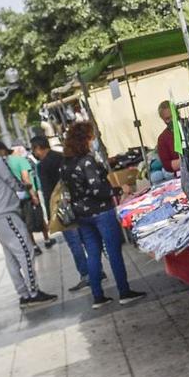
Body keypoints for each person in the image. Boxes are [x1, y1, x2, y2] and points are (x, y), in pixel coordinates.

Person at [57, 121, 145, 307]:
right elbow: (97, 189)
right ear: (86, 139)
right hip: (101, 212)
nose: (94, 140)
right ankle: (124, 291)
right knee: (114, 251)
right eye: (92, 136)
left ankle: (98, 296)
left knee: (93, 253)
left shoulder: (65, 163)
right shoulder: (86, 161)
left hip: (81, 215)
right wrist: (119, 189)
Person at [0, 139, 54, 306]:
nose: (7, 158)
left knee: (11, 257)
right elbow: (13, 183)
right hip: (7, 214)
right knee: (25, 251)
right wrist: (24, 188)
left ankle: (23, 294)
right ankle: (33, 292)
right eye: (5, 154)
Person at [155, 101, 181, 175]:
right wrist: (187, 160)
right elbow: (167, 165)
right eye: (168, 119)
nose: (172, 120)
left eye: (173, 116)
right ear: (163, 119)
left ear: (177, 113)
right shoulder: (162, 139)